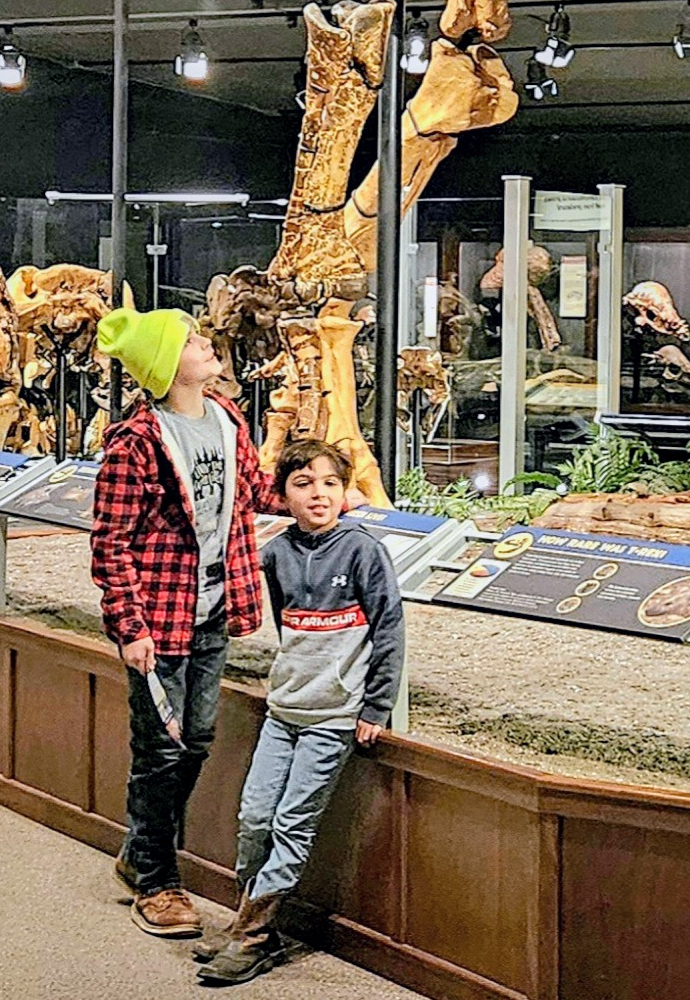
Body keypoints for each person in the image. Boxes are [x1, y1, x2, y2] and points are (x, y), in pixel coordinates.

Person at [91, 300, 284, 941]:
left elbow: (254, 490)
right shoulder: (136, 442)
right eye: (193, 340)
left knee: (195, 739)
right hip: (160, 619)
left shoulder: (227, 417)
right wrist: (129, 626)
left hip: (213, 612)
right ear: (169, 364)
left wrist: (327, 493)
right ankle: (158, 882)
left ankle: (140, 854)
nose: (207, 344)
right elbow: (110, 541)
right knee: (159, 750)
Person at [197, 436, 404, 986]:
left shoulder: (363, 550)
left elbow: (390, 629)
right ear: (283, 493)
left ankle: (254, 935)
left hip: (334, 716)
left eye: (331, 483)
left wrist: (375, 706)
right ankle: (248, 917)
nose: (319, 494)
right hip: (284, 709)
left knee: (292, 823)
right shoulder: (278, 552)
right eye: (304, 483)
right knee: (254, 817)